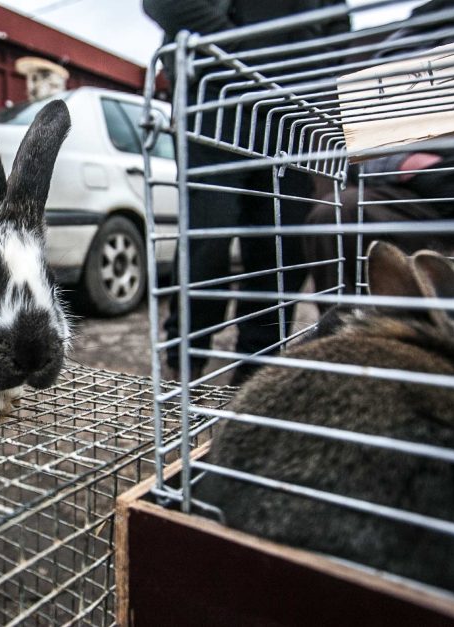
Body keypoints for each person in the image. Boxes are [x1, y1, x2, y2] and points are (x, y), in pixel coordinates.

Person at [142, 0, 349, 384]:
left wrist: (314, 79)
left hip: (294, 114)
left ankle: (256, 371)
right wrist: (244, 53)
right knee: (207, 240)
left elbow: (338, 29)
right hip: (217, 96)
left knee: (279, 251)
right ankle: (185, 358)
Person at [304, 0, 454, 309]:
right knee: (336, 212)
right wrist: (403, 163)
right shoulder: (403, 43)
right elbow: (371, 138)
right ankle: (348, 341)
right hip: (422, 190)